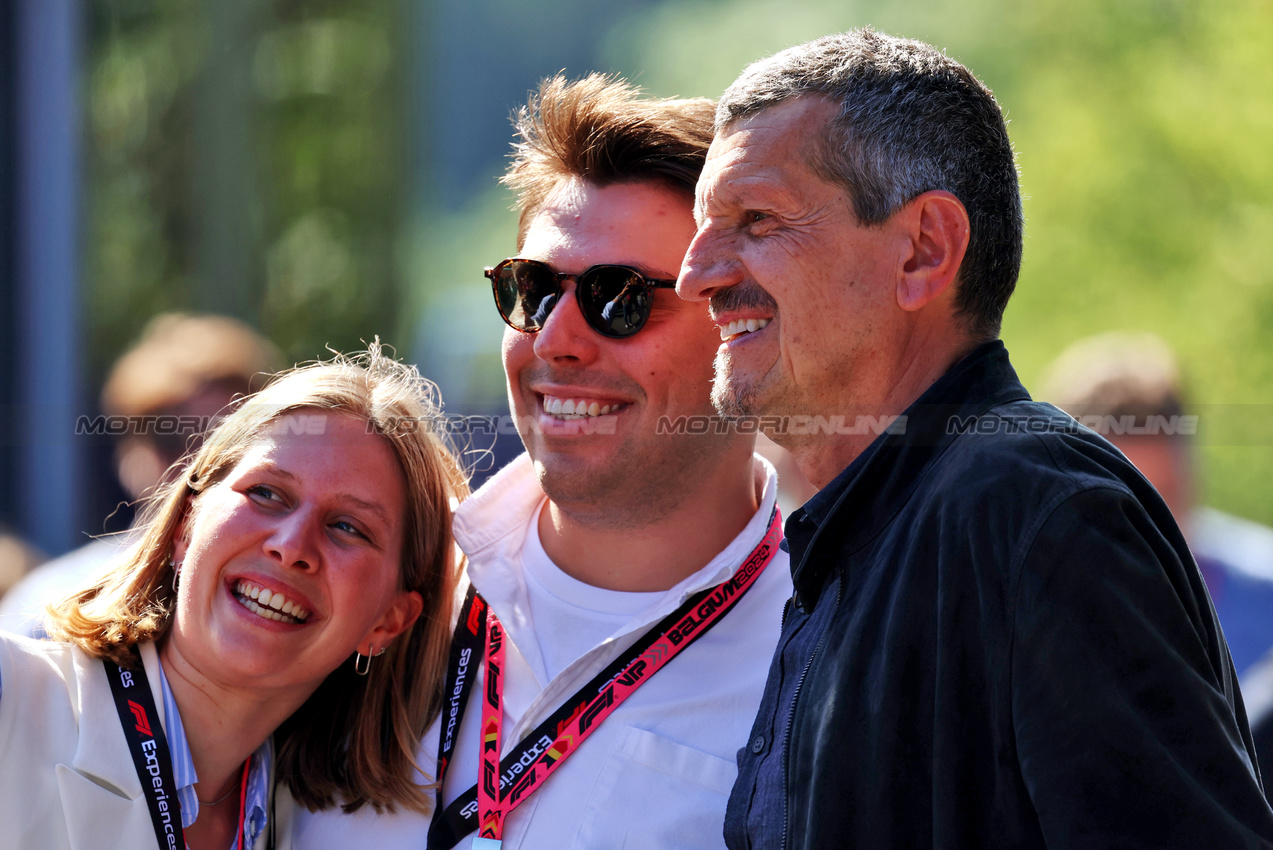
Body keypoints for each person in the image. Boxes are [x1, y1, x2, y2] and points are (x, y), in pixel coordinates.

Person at [678, 28, 1273, 849]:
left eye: (755, 219)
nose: (694, 274)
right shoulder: (872, 536)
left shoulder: (1038, 516)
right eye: (705, 225)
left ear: (923, 248)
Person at [296, 74, 792, 850]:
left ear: (743, 330)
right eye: (532, 290)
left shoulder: (827, 660)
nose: (555, 339)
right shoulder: (370, 591)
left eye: (619, 297)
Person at [0, 346, 468, 850]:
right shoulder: (12, 697)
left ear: (389, 621)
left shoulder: (323, 829)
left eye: (348, 527)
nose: (291, 547)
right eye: (267, 493)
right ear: (184, 525)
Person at [0, 313, 283, 636]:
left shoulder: (280, 599)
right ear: (127, 454)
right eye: (169, 440)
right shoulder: (55, 604)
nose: (195, 465)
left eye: (221, 445)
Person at [1042, 331, 1273, 685]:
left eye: (1167, 496)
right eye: (1120, 505)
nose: (1152, 531)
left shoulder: (1265, 602)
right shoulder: (1020, 623)